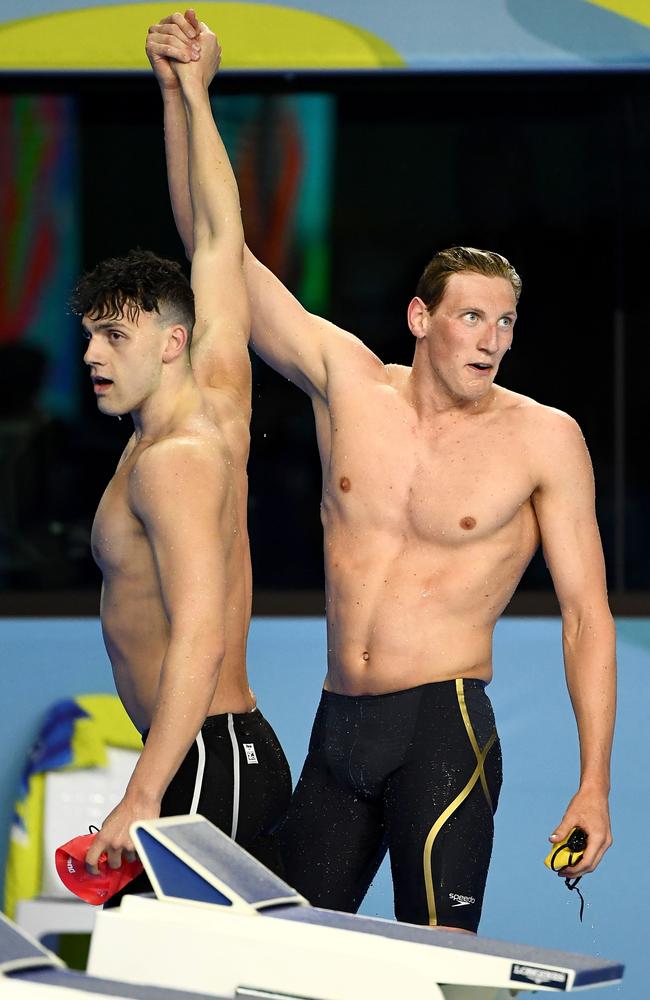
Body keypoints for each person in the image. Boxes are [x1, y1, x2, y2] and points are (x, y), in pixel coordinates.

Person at [146, 12, 615, 933]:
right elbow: (217, 253)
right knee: (281, 954)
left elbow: (584, 615)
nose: (492, 339)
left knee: (434, 968)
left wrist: (593, 784)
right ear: (419, 317)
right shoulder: (347, 385)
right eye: (473, 317)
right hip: (338, 728)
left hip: (443, 733)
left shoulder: (544, 438)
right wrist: (184, 96)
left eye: (506, 322)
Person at [70, 26, 291, 894]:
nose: (91, 355)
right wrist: (184, 95)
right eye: (88, 334)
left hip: (205, 764)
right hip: (218, 755)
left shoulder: (177, 461)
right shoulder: (218, 396)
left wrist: (142, 792)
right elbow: (215, 235)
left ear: (170, 342)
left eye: (112, 336)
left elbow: (197, 633)